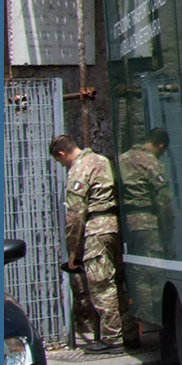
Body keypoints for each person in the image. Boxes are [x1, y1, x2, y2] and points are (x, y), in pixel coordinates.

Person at [50, 134, 140, 353]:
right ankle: (129, 334)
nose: (61, 165)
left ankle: (111, 338)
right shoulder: (103, 160)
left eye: (59, 161)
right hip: (116, 227)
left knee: (101, 285)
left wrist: (74, 250)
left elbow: (75, 214)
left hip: (97, 229)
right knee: (118, 283)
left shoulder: (78, 170)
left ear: (62, 154)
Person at [118, 127, 174, 259]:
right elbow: (163, 200)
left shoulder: (121, 159)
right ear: (161, 146)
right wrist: (168, 233)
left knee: (136, 270)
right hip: (147, 223)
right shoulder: (151, 162)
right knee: (152, 270)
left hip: (127, 224)